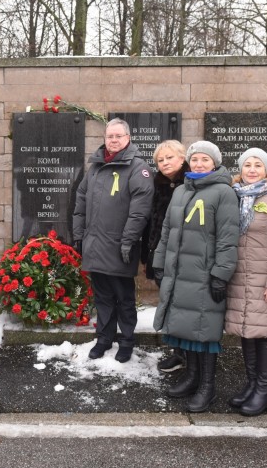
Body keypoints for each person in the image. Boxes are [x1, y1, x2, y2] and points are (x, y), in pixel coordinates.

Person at [152, 140, 239, 412]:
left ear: (215, 163)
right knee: (185, 326)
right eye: (196, 159)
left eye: (205, 159)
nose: (200, 164)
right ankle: (191, 376)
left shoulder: (223, 193)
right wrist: (159, 262)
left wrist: (220, 275)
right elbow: (167, 231)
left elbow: (228, 238)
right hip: (180, 273)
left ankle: (207, 387)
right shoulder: (181, 192)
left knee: (205, 331)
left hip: (204, 274)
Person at [72, 118, 154, 363]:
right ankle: (104, 338)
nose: (114, 140)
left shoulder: (138, 168)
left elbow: (140, 211)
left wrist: (128, 241)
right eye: (110, 136)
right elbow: (81, 201)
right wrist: (79, 235)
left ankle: (126, 340)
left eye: (119, 136)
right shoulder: (96, 166)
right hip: (95, 245)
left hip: (120, 247)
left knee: (124, 298)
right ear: (105, 139)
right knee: (103, 296)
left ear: (128, 138)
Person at [224, 148, 267, 416]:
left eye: (257, 165)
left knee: (264, 334)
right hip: (240, 277)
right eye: (247, 165)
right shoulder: (233, 197)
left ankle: (263, 391)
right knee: (247, 331)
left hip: (266, 279)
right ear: (240, 170)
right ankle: (252, 384)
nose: (251, 170)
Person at [140, 139, 190, 374]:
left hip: (184, 258)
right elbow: (152, 223)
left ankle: (190, 357)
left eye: (170, 157)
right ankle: (178, 352)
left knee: (184, 309)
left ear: (182, 158)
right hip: (160, 257)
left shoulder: (191, 183)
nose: (165, 162)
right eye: (160, 160)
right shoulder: (158, 184)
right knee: (170, 306)